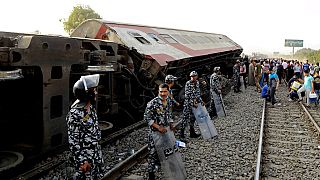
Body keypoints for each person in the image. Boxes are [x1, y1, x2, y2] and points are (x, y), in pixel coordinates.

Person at [66, 74, 104, 179]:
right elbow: (74, 141)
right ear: (87, 94)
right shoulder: (75, 113)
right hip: (85, 158)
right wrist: (83, 161)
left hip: (95, 155)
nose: (96, 93)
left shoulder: (91, 109)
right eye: (94, 90)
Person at [144, 83, 175, 180]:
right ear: (158, 91)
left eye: (165, 91)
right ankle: (151, 175)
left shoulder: (169, 101)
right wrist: (158, 127)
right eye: (161, 91)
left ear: (168, 91)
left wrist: (171, 123)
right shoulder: (152, 103)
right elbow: (147, 118)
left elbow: (169, 113)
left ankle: (167, 168)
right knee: (153, 153)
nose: (163, 93)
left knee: (167, 150)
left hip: (166, 131)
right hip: (155, 134)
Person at [180, 71, 203, 140]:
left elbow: (198, 93)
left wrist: (201, 101)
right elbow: (188, 95)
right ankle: (181, 134)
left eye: (194, 76)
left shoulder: (197, 83)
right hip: (188, 104)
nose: (192, 78)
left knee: (193, 118)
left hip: (194, 104)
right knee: (185, 118)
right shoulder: (188, 83)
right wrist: (193, 102)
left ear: (197, 76)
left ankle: (192, 133)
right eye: (191, 76)